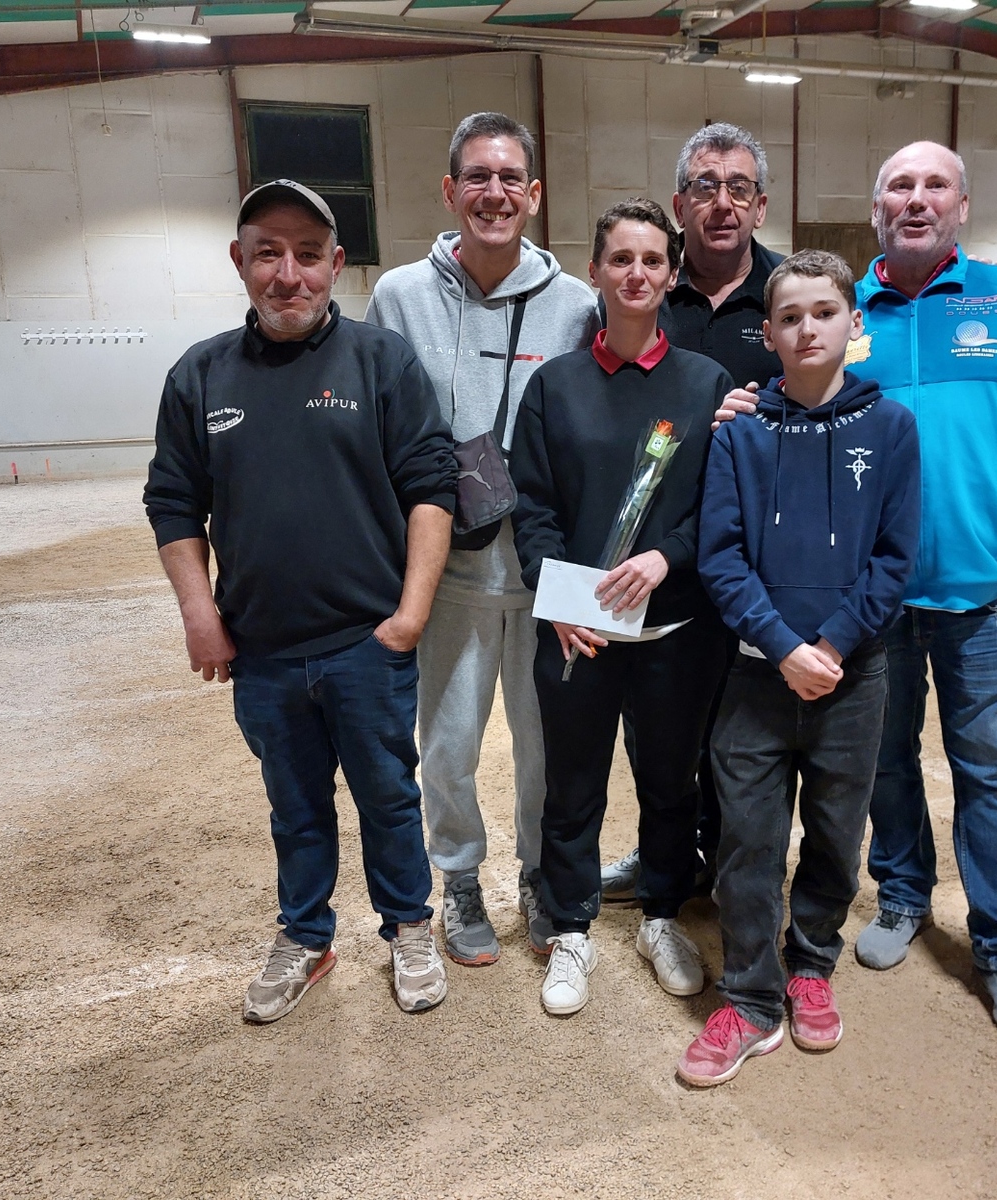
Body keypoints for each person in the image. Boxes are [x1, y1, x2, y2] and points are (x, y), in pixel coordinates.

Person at [717, 142, 997, 1045]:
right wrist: (742, 406)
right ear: (876, 211)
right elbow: (795, 393)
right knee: (884, 767)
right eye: (898, 187)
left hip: (983, 595)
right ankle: (903, 895)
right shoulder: (844, 308)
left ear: (962, 205)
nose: (916, 199)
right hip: (869, 607)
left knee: (990, 772)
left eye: (935, 185)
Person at [145, 179, 457, 1023]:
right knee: (296, 807)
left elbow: (432, 488)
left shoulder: (381, 362)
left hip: (366, 643)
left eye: (308, 255)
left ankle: (408, 927)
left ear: (337, 263)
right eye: (269, 254)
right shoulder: (200, 375)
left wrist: (410, 617)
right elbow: (173, 502)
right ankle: (308, 937)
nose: (289, 275)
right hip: (264, 651)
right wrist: (200, 616)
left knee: (389, 798)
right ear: (240, 262)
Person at [678, 250, 920, 1087]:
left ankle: (811, 964)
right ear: (769, 333)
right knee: (746, 839)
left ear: (855, 323)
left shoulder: (892, 427)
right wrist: (782, 646)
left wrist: (835, 646)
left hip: (853, 678)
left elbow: (894, 558)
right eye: (789, 317)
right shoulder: (740, 432)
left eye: (824, 312)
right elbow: (720, 557)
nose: (807, 328)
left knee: (836, 833)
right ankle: (750, 998)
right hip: (756, 675)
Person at [366, 113, 600, 967]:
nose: (493, 193)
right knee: (449, 746)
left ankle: (538, 873)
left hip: (546, 578)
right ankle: (460, 878)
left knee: (546, 750)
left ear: (533, 194)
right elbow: (375, 433)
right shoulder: (398, 297)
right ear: (449, 190)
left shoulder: (578, 306)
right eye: (476, 176)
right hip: (448, 576)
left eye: (509, 178)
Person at [510, 199, 735, 1016]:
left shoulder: (706, 384)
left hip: (675, 627)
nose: (636, 274)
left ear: (671, 275)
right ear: (596, 271)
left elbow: (720, 503)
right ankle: (570, 924)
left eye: (652, 261)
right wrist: (558, 603)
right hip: (579, 630)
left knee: (671, 781)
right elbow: (532, 507)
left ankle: (663, 913)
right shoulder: (554, 385)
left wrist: (665, 555)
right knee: (572, 785)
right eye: (620, 260)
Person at [601, 121, 785, 904]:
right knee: (656, 730)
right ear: (680, 204)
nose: (722, 202)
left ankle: (736, 868)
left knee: (744, 730)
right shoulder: (645, 286)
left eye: (738, 188)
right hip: (661, 558)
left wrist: (771, 411)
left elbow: (837, 395)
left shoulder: (789, 295)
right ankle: (666, 856)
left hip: (759, 559)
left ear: (760, 205)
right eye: (705, 187)